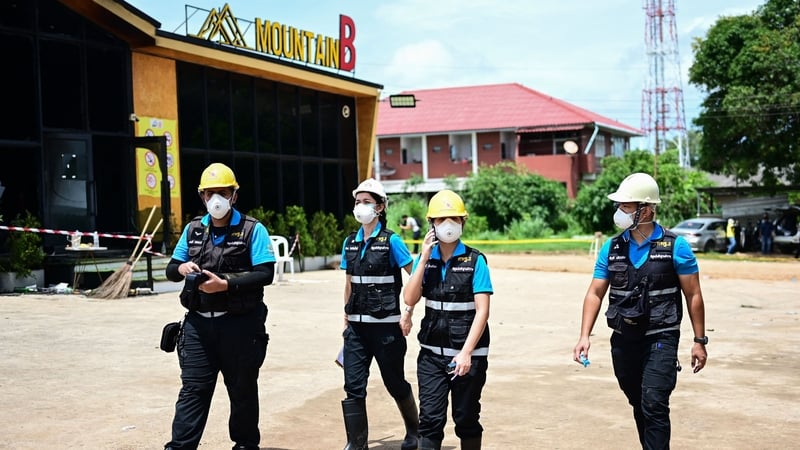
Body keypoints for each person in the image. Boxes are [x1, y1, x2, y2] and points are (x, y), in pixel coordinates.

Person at [572, 173, 708, 450]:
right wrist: (584, 336)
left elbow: (693, 294)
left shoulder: (676, 247)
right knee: (638, 401)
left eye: (626, 206)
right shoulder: (612, 247)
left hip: (661, 336)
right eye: (619, 206)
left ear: (645, 209)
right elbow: (594, 292)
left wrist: (699, 340)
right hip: (623, 338)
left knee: (654, 402)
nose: (619, 211)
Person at [164, 163, 275, 450]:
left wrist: (225, 284)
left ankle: (246, 444)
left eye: (223, 192)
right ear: (202, 196)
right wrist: (183, 268)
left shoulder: (253, 229)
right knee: (193, 390)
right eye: (210, 193)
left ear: (234, 195)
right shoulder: (192, 230)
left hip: (239, 324)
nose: (216, 199)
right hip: (199, 324)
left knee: (242, 391)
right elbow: (171, 268)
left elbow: (266, 273)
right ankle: (180, 446)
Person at [404, 189, 493, 450]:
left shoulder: (475, 261)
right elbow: (410, 298)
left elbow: (483, 311)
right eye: (441, 220)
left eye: (454, 218)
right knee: (430, 420)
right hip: (431, 355)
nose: (448, 225)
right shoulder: (426, 260)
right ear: (431, 224)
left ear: (463, 222)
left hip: (468, 356)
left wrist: (466, 353)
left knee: (466, 418)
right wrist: (422, 259)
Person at [339, 178, 418, 450]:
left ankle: (414, 432)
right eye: (358, 202)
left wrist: (407, 312)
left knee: (394, 382)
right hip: (357, 331)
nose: (361, 207)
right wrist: (346, 320)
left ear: (380, 207)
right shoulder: (350, 242)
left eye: (367, 202)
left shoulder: (392, 241)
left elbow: (414, 277)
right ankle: (356, 443)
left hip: (386, 330)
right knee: (353, 386)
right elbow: (349, 283)